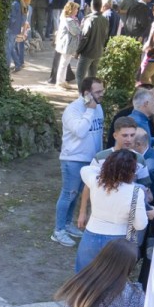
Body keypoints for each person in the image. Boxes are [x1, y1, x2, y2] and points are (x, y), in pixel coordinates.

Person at [75, 150, 154, 272]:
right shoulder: (136, 191)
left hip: (90, 236)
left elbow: (85, 169)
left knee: (83, 277)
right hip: (118, 241)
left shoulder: (96, 182)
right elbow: (140, 225)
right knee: (110, 282)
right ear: (132, 170)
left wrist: (108, 172)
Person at [52, 77, 106, 247]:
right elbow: (81, 132)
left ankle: (68, 225)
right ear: (86, 94)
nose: (101, 94)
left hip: (91, 160)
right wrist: (90, 110)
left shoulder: (98, 107)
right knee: (68, 193)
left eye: (102, 90)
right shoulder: (73, 110)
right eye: (98, 92)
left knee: (77, 195)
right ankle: (58, 230)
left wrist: (100, 157)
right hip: (73, 159)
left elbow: (98, 132)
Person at [53, 2, 81, 88]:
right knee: (64, 63)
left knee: (65, 62)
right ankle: (59, 82)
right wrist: (81, 28)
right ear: (71, 10)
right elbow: (75, 31)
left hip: (68, 45)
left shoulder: (70, 19)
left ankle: (63, 81)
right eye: (76, 9)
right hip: (67, 45)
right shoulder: (69, 20)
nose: (77, 10)